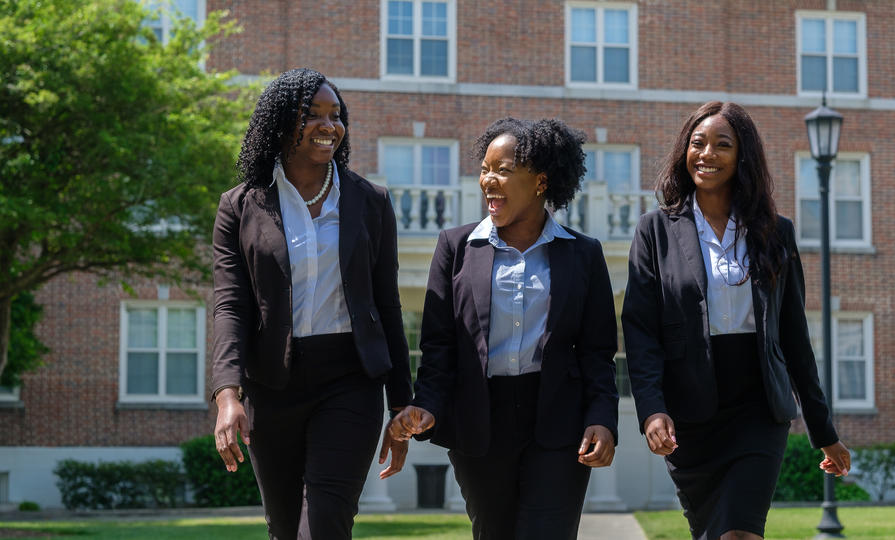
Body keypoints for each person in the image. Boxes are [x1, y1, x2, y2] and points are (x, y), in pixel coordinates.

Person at [622, 101, 852, 540]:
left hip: (757, 409)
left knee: (741, 534)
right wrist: (652, 410)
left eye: (722, 145)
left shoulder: (775, 232)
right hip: (691, 417)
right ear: (684, 151)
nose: (707, 153)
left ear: (742, 155)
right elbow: (641, 333)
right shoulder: (655, 231)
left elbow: (794, 337)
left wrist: (823, 430)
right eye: (698, 143)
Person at [388, 117, 619, 540]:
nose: (488, 181)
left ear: (540, 182)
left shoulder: (583, 254)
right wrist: (427, 405)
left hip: (558, 424)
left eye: (503, 170)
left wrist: (603, 418)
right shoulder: (455, 248)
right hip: (480, 424)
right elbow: (439, 349)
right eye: (484, 169)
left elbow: (596, 352)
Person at [211, 68, 412, 540]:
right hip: (272, 385)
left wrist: (401, 402)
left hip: (349, 380)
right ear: (281, 124)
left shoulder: (370, 201)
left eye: (335, 115)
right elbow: (230, 306)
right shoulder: (241, 206)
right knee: (285, 529)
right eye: (313, 115)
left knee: (324, 523)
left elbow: (387, 307)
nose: (330, 126)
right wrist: (227, 395)